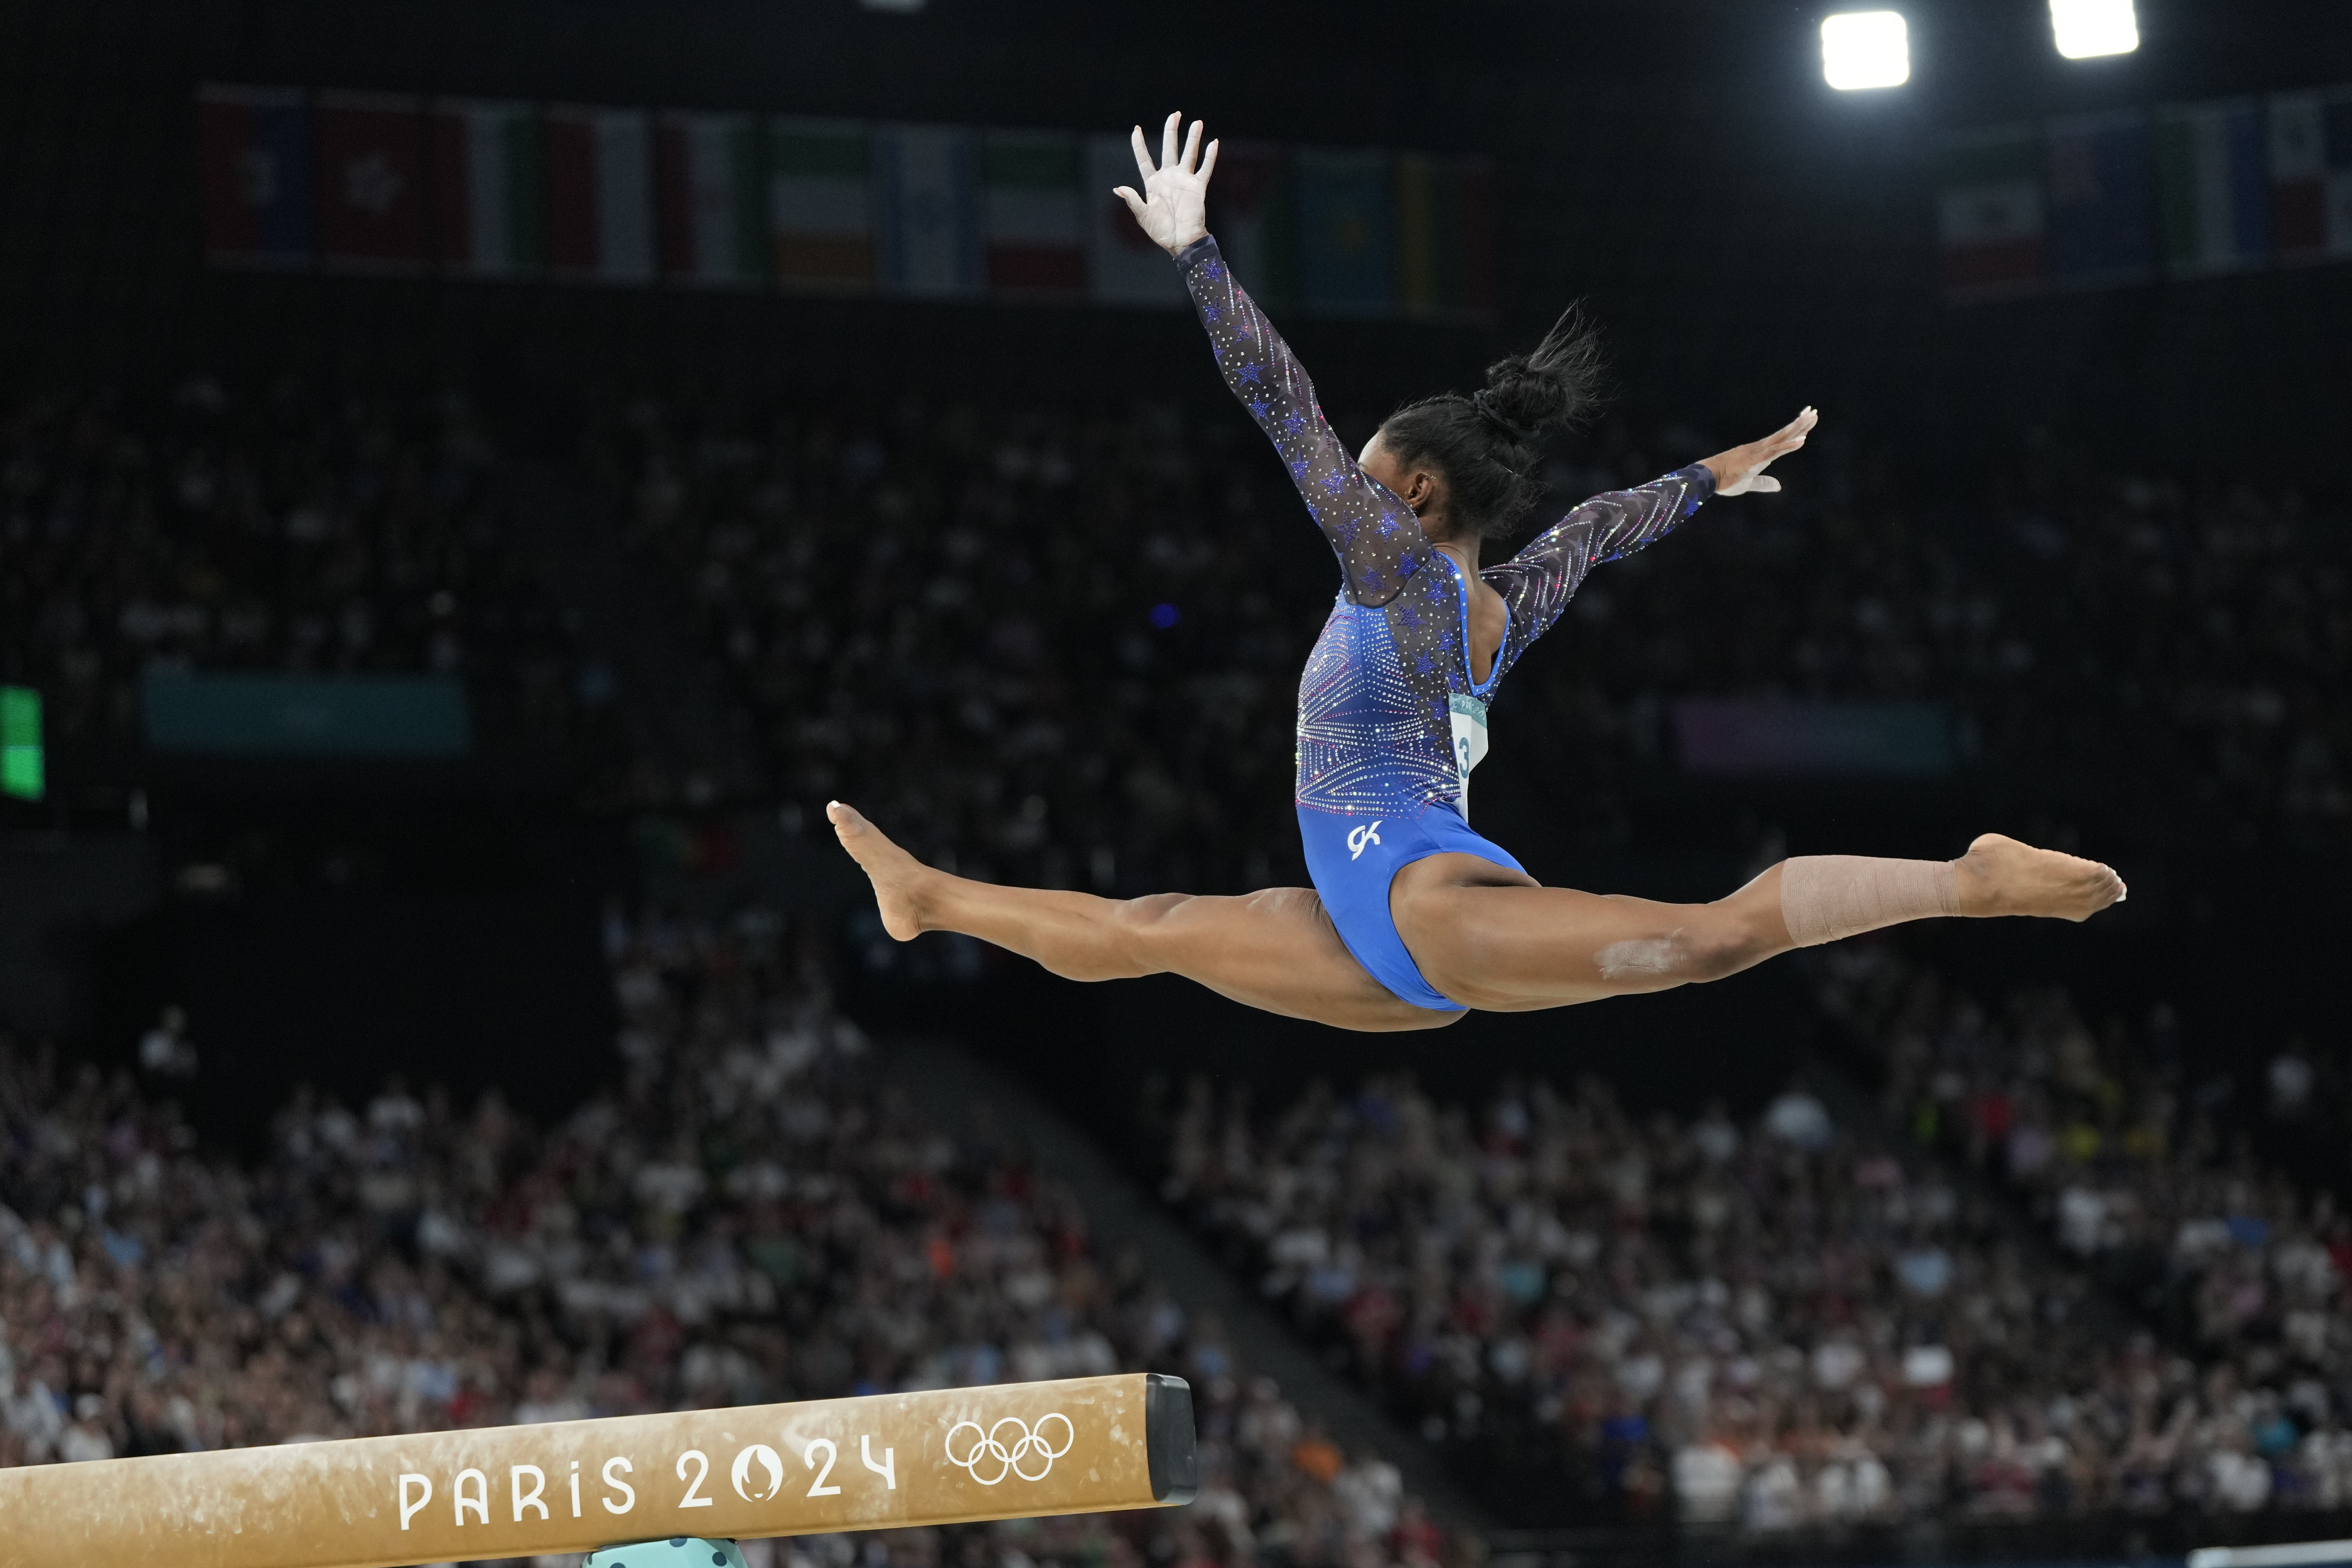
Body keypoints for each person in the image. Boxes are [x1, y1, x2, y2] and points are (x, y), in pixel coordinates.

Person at [827, 114, 2125, 1033]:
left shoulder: (1389, 569)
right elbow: (1601, 527)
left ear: (1410, 494)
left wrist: (1196, 256)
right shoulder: (1496, 607)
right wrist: (1708, 478)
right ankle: (927, 898)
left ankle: (1968, 879)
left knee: (1706, 940)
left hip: (1417, 898)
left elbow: (1282, 405)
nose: (1350, 481)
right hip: (1376, 942)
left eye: (1370, 469)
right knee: (1143, 933)